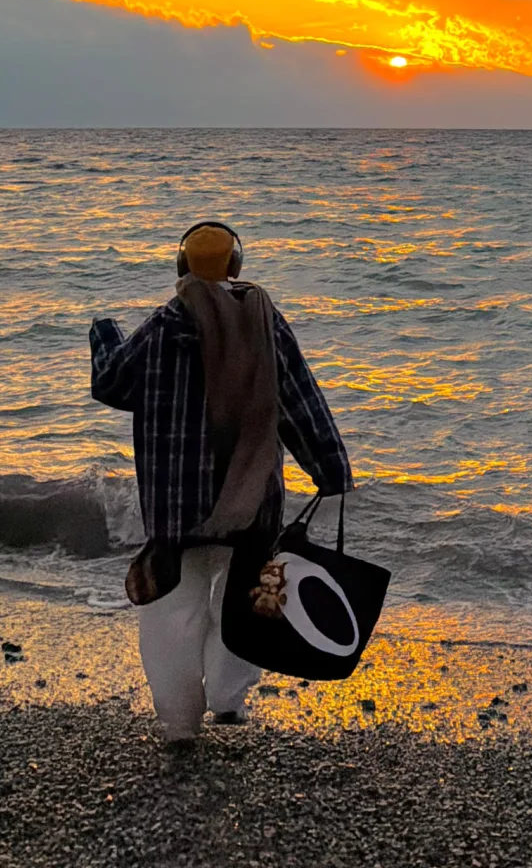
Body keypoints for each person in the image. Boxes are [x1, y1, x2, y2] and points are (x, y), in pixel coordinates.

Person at [90, 220, 353, 741]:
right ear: (237, 265)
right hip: (249, 503)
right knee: (239, 608)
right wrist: (329, 467)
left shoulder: (164, 326)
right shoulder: (265, 322)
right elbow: (299, 403)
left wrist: (103, 334)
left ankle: (179, 725)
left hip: (177, 508)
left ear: (181, 267)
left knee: (173, 615)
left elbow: (113, 384)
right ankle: (227, 703)